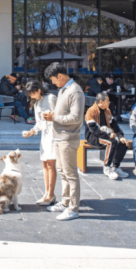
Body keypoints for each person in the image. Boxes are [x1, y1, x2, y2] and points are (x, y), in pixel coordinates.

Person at [42, 62, 85, 221]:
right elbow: (64, 113)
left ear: (60, 76)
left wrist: (54, 117)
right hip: (60, 137)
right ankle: (66, 201)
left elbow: (76, 118)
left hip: (68, 138)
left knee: (71, 174)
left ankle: (73, 208)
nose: (53, 83)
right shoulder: (63, 90)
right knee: (62, 171)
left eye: (53, 79)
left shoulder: (75, 91)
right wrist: (53, 115)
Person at [22, 81, 57, 206]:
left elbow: (59, 116)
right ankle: (46, 193)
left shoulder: (51, 98)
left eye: (33, 93)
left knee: (51, 164)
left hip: (54, 135)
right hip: (45, 136)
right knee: (45, 164)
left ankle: (51, 195)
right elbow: (39, 123)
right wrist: (32, 131)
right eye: (30, 94)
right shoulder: (37, 103)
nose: (32, 96)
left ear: (39, 90)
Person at [85, 93, 129, 180]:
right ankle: (107, 167)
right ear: (101, 102)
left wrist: (120, 136)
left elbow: (114, 125)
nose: (109, 102)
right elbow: (94, 130)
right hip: (93, 136)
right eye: (107, 100)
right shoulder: (91, 111)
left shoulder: (107, 110)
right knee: (111, 143)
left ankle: (115, 167)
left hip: (106, 134)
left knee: (123, 143)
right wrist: (108, 135)